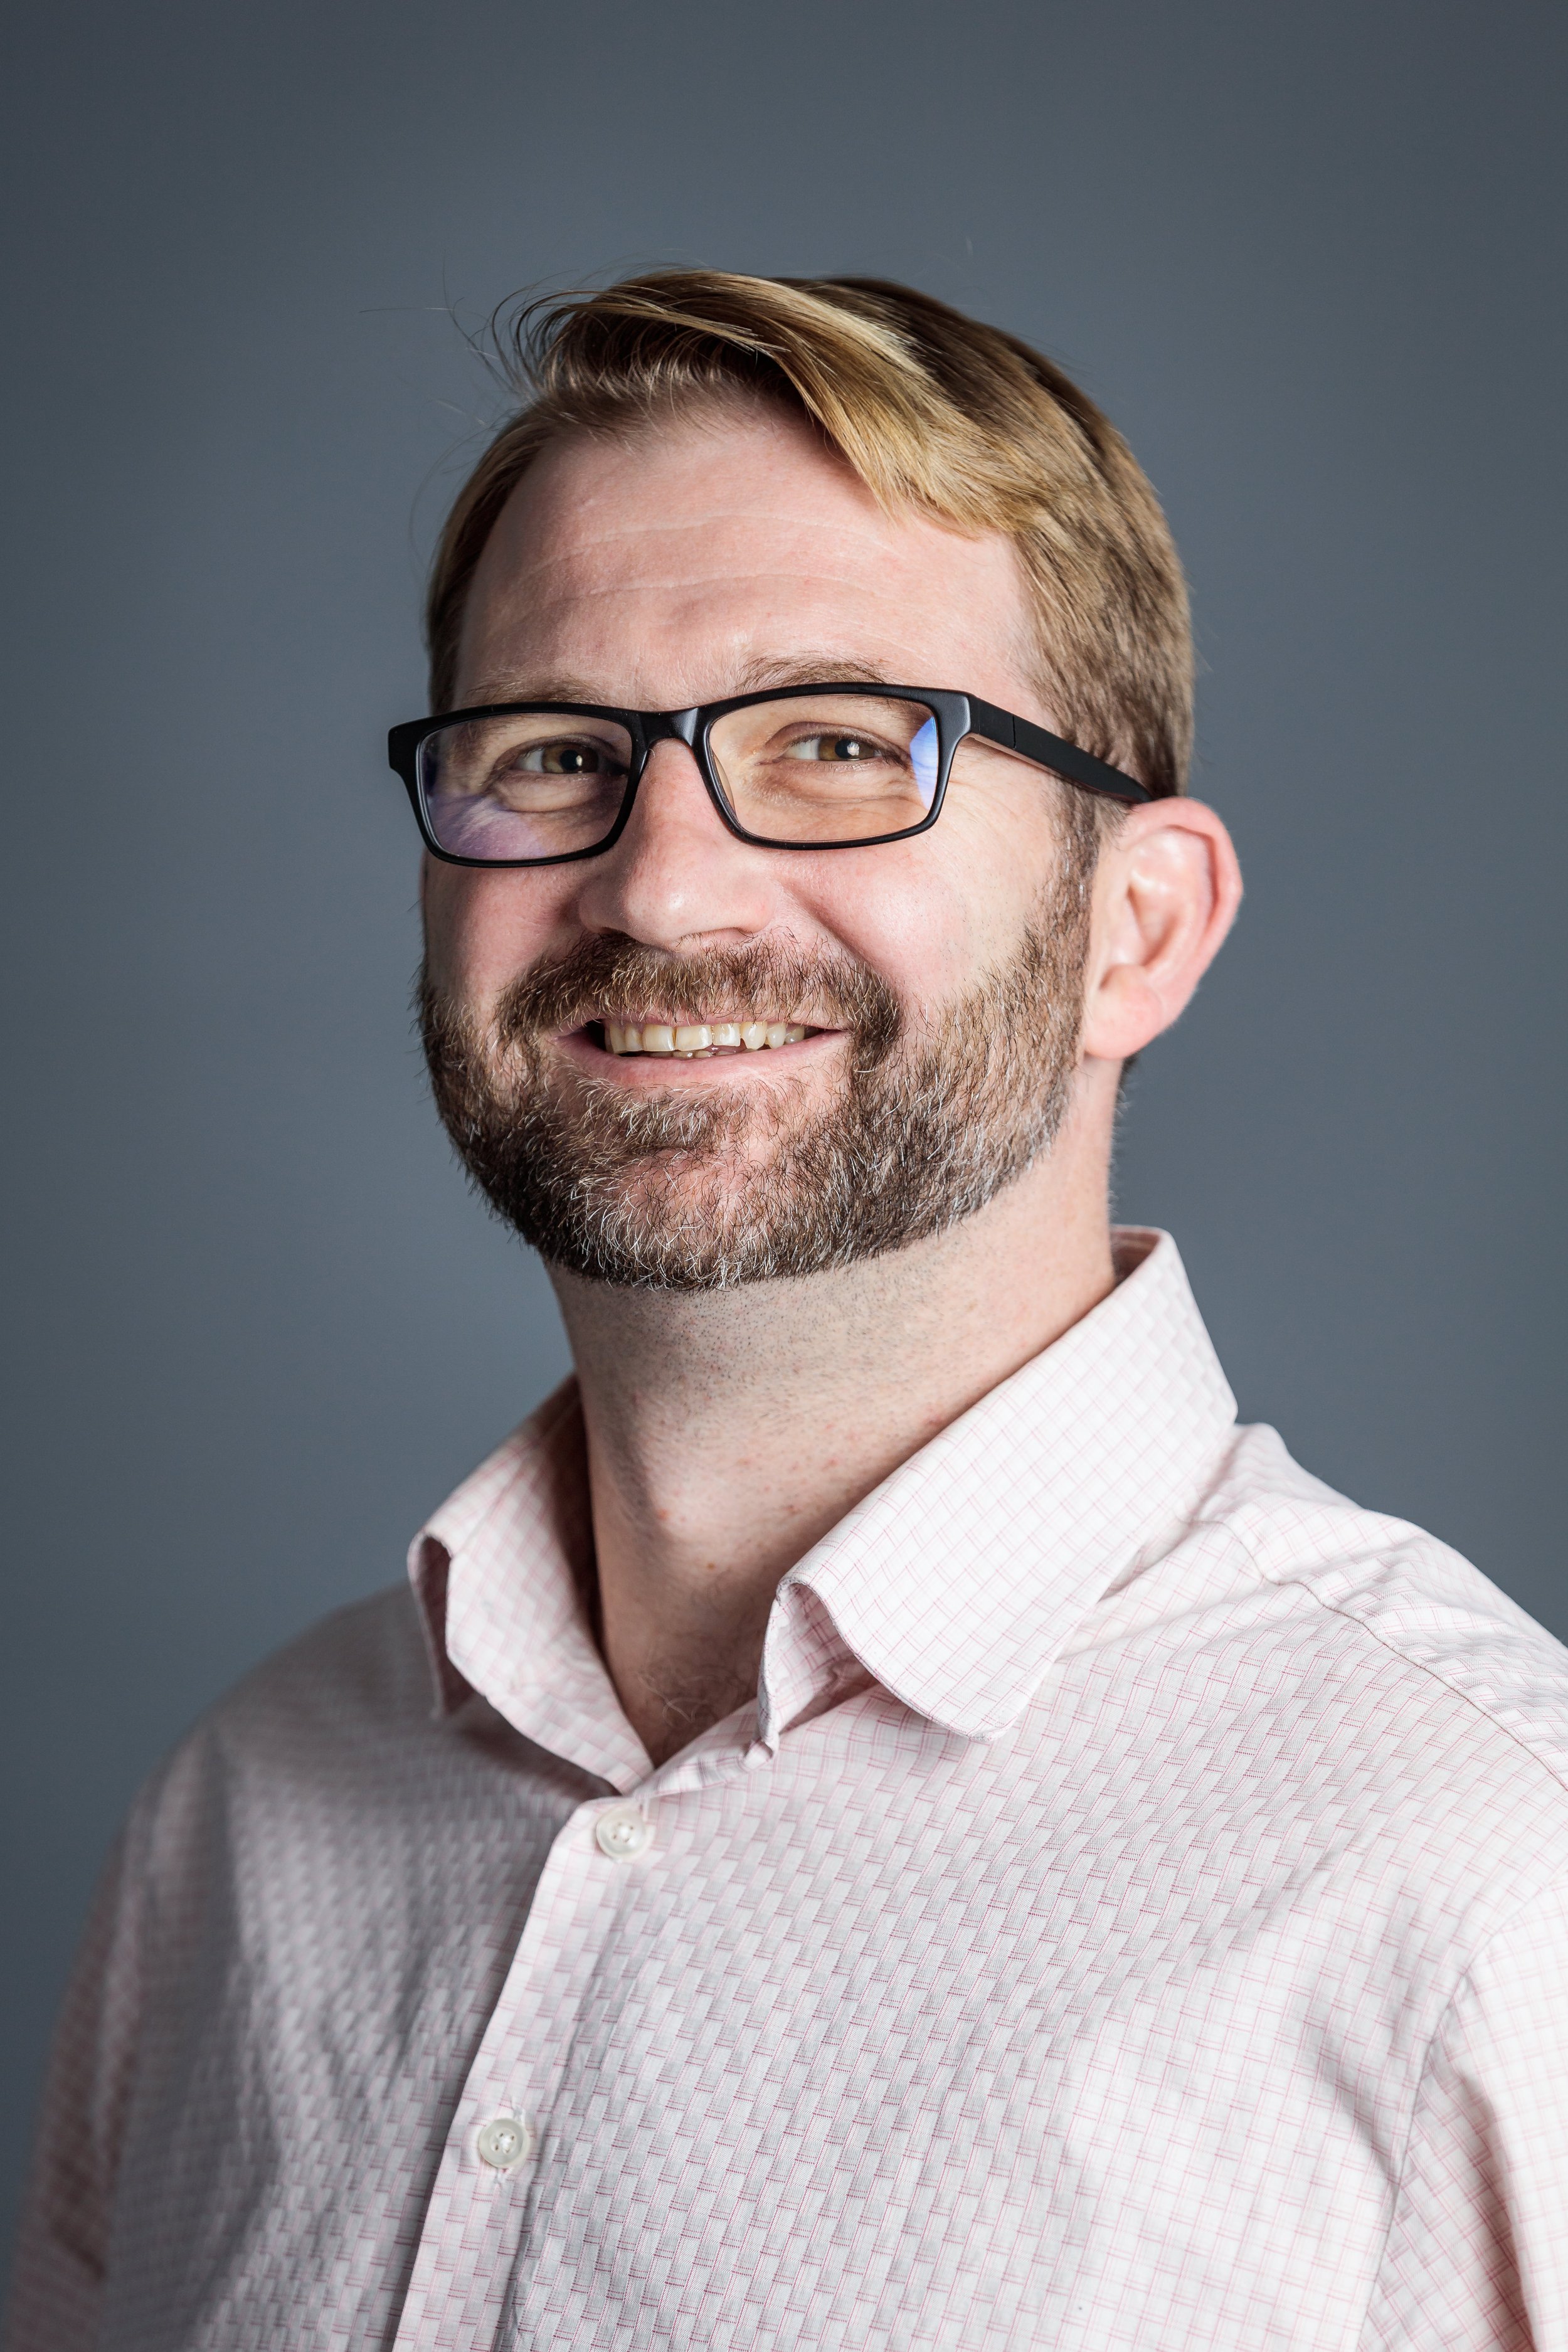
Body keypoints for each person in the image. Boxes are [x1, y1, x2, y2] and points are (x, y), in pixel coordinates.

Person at [8, 270, 1568, 2352]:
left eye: (836, 745)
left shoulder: (1493, 1887)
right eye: (553, 754)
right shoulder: (240, 1823)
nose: (659, 887)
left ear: (1136, 930)